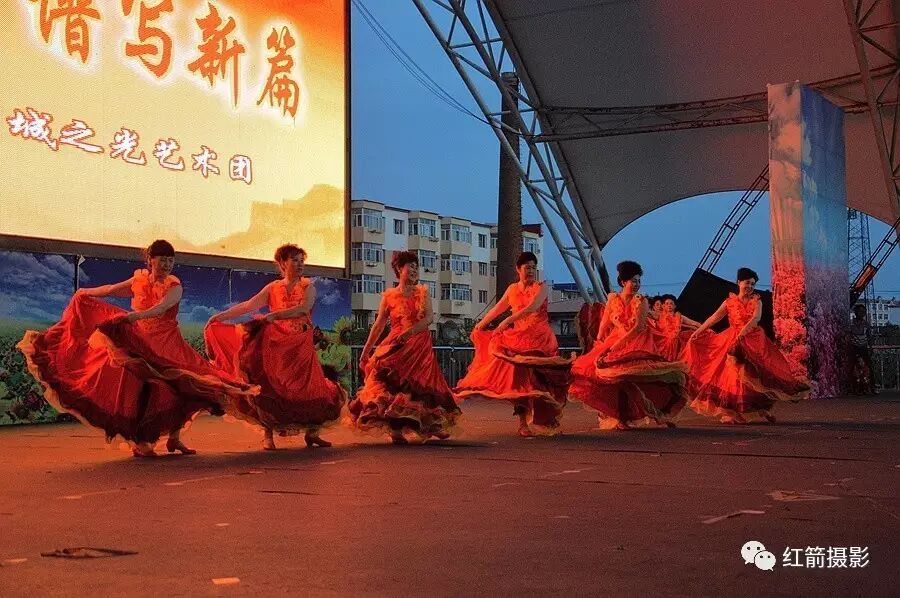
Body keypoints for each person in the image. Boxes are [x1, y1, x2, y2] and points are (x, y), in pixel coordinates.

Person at [17, 240, 255, 457]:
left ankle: (174, 438)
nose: (167, 265)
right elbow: (112, 289)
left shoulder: (174, 285)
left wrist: (134, 317)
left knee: (186, 384)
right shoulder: (139, 281)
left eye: (170, 260)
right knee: (143, 391)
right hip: (141, 340)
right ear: (150, 260)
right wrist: (85, 292)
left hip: (168, 343)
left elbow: (162, 308)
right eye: (162, 260)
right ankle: (141, 441)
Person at [205, 245, 345, 449]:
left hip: (300, 344)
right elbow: (248, 305)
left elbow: (304, 309)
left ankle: (312, 432)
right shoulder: (273, 288)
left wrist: (275, 315)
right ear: (282, 263)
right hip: (276, 344)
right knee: (269, 386)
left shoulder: (308, 286)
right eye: (295, 260)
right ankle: (268, 434)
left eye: (302, 261)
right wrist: (220, 316)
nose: (300, 264)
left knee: (310, 387)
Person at [454, 252, 573, 437]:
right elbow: (497, 308)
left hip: (540, 340)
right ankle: (522, 422)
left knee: (541, 381)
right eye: (527, 267)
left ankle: (546, 418)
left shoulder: (541, 287)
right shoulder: (512, 289)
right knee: (519, 382)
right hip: (519, 339)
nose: (531, 271)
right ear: (518, 269)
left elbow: (533, 307)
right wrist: (481, 324)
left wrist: (508, 320)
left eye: (533, 267)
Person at [349, 251, 460, 444]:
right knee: (393, 385)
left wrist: (410, 332)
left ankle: (431, 425)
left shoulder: (422, 293)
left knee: (423, 386)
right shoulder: (390, 296)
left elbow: (429, 318)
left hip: (419, 347)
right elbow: (379, 325)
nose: (415, 270)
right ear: (400, 269)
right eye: (411, 266)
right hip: (397, 345)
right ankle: (395, 430)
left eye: (417, 267)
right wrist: (366, 350)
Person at [568, 261, 688, 430]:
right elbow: (605, 323)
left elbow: (638, 327)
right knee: (613, 381)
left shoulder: (641, 301)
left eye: (638, 281)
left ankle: (658, 413)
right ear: (623, 282)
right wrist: (599, 343)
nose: (637, 284)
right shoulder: (613, 299)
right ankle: (621, 417)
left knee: (639, 379)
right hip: (614, 341)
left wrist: (616, 345)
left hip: (637, 343)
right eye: (633, 281)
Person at [683, 267, 810, 424]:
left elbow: (755, 319)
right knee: (732, 377)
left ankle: (761, 410)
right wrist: (698, 331)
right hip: (732, 339)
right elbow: (714, 317)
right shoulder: (729, 302)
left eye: (752, 284)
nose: (750, 286)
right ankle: (734, 412)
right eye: (747, 283)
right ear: (739, 282)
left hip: (752, 340)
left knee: (753, 376)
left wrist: (742, 334)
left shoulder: (757, 301)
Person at [653, 294, 700, 361]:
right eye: (667, 304)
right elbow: (647, 313)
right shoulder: (659, 316)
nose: (669, 305)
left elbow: (695, 323)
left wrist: (706, 328)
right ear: (663, 306)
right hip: (662, 345)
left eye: (671, 303)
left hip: (677, 345)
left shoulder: (680, 317)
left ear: (675, 306)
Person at [848, 304, 876, 395]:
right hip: (854, 348)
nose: (862, 313)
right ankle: (854, 388)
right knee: (852, 368)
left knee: (869, 367)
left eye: (864, 312)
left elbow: (869, 336)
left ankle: (872, 387)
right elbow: (847, 335)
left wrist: (871, 348)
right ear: (855, 312)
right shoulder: (851, 323)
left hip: (864, 347)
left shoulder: (866, 324)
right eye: (860, 311)